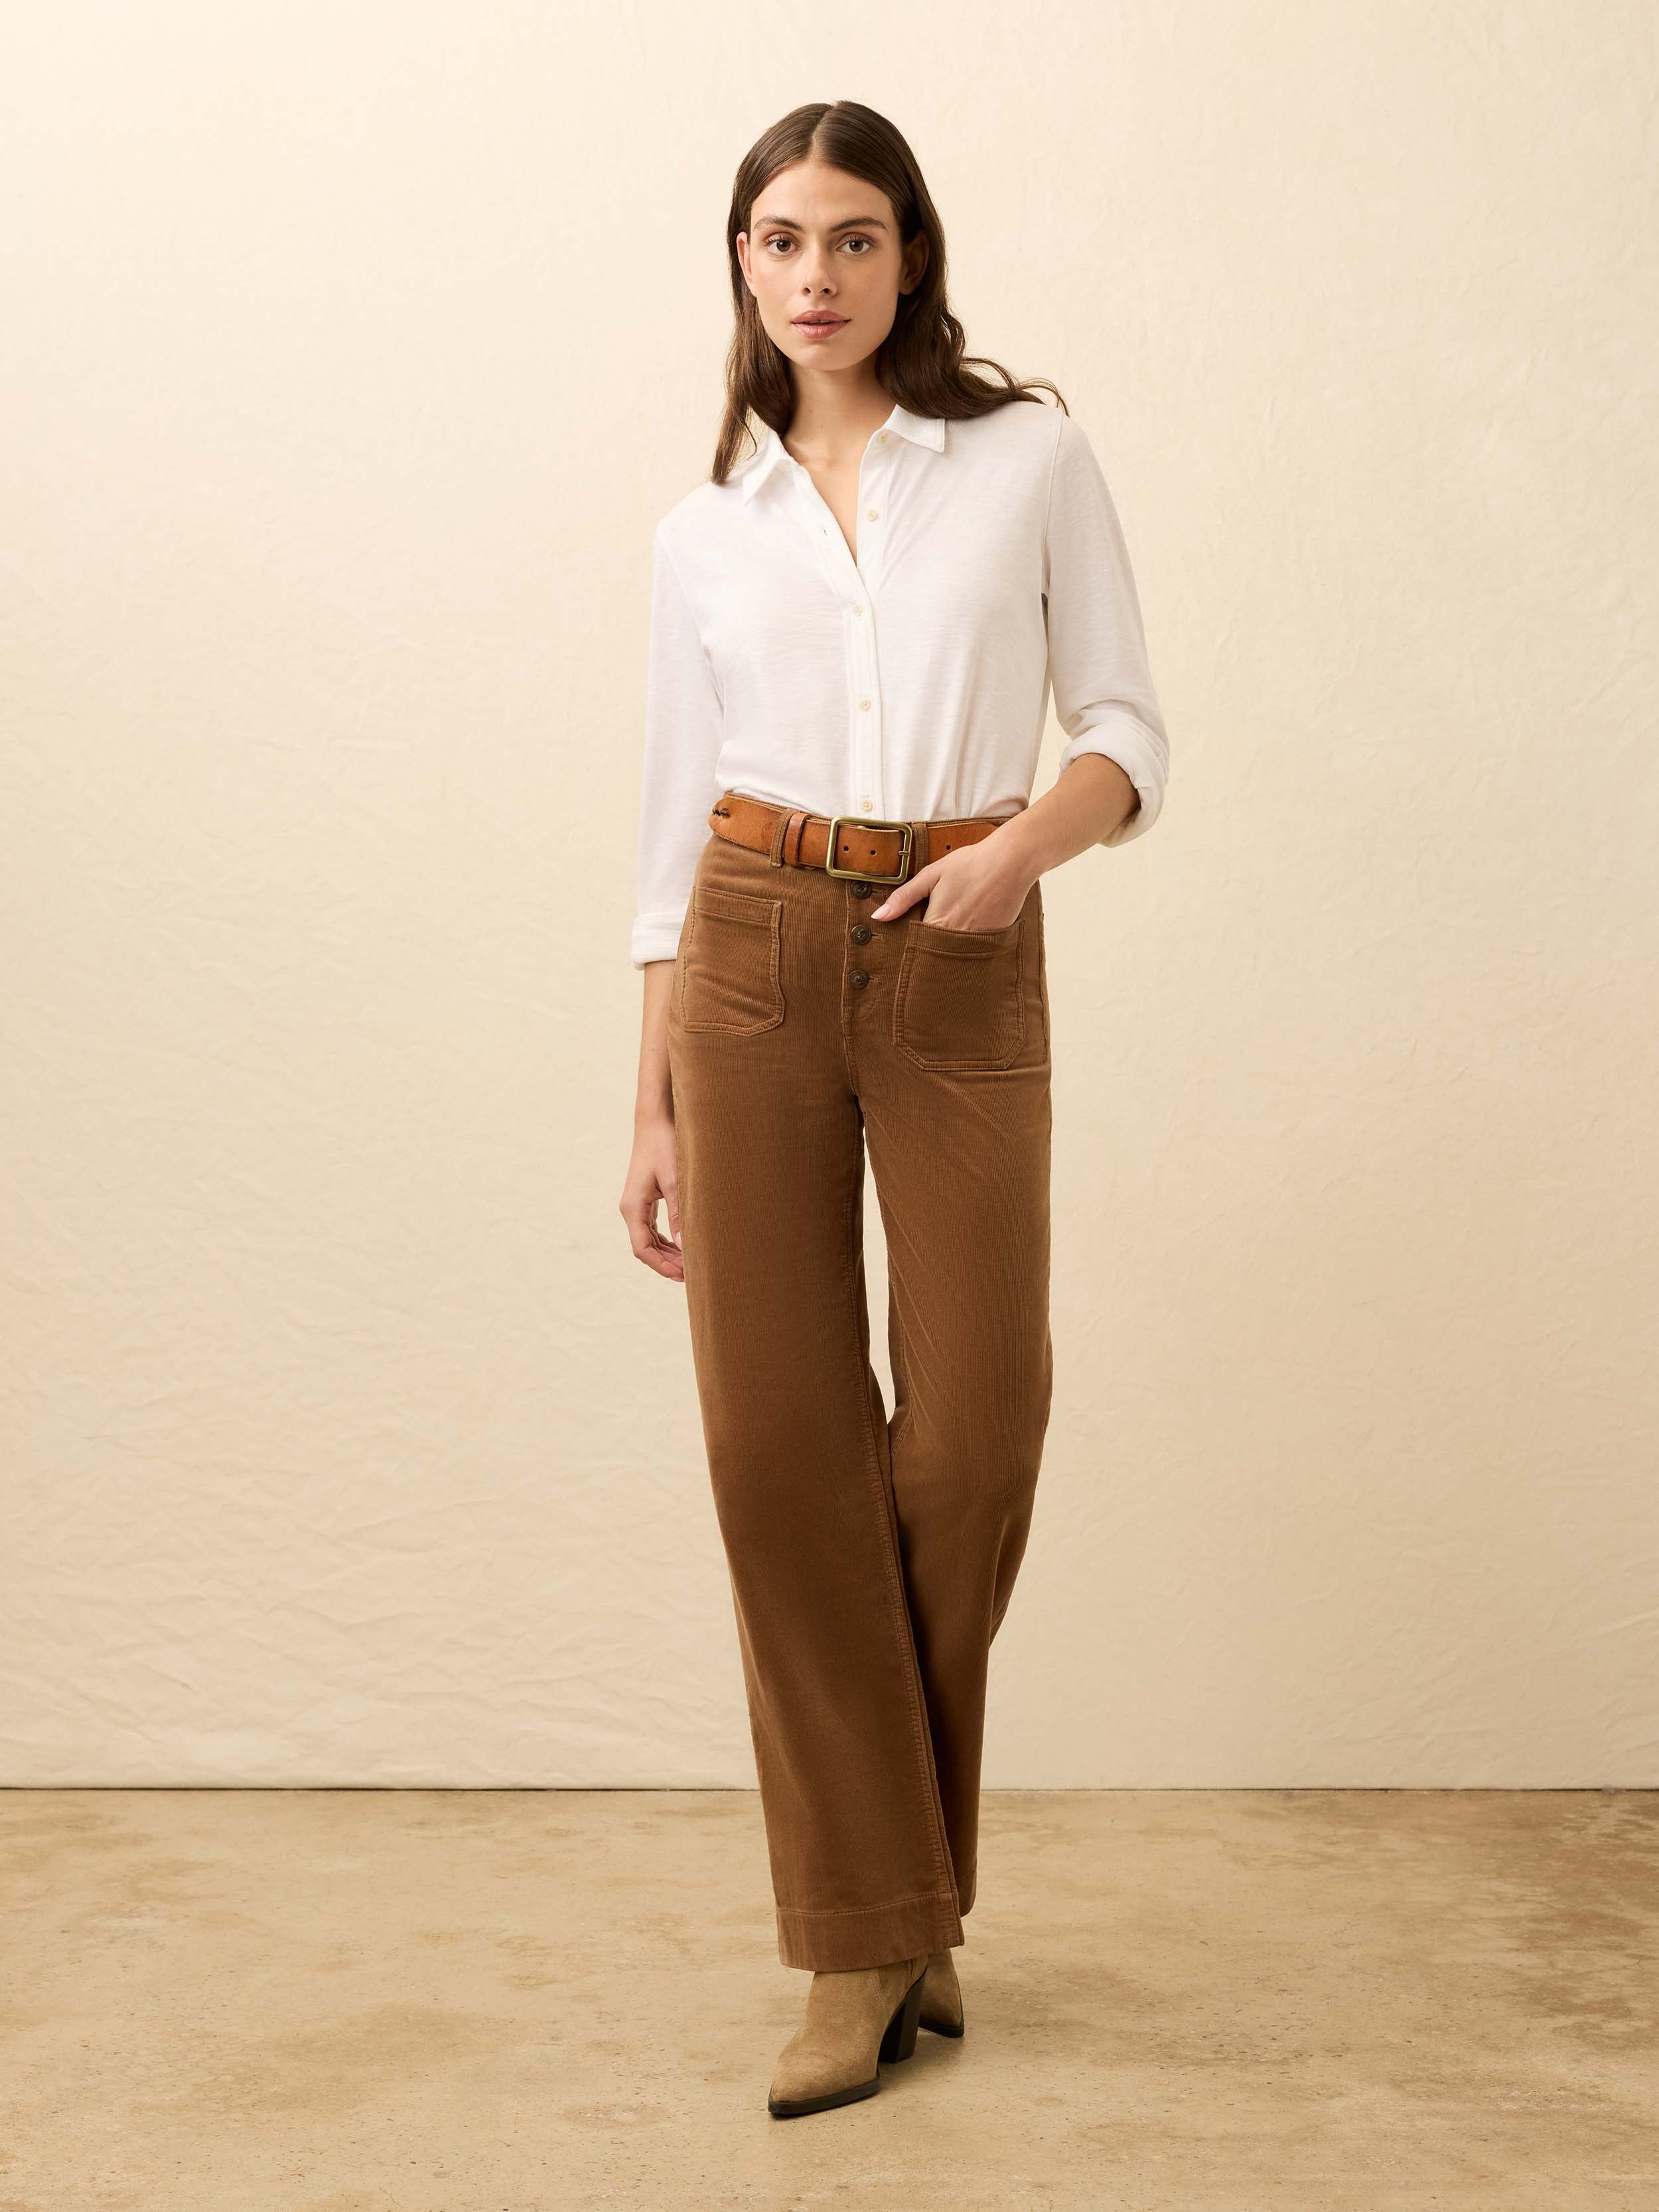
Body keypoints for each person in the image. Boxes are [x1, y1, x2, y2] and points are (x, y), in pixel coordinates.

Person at [619, 99, 1169, 2120]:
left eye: (853, 239)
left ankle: (895, 1885)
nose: (816, 276)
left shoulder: (1022, 460)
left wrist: (1023, 854)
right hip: (750, 951)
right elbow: (669, 837)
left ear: (909, 257)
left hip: (959, 932)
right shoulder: (706, 526)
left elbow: (1124, 723)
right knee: (776, 1444)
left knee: (973, 1431)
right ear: (742, 267)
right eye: (780, 241)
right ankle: (868, 1939)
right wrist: (653, 1102)